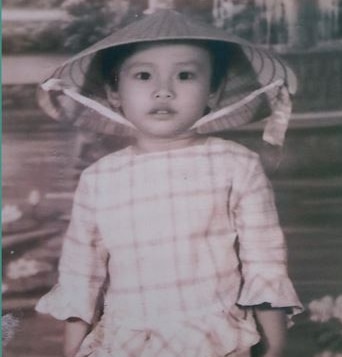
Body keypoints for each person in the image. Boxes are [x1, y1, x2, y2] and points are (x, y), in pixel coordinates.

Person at [35, 9, 303, 357]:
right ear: (115, 92)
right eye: (144, 75)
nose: (164, 91)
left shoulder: (237, 165)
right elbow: (80, 273)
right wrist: (71, 351)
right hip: (125, 341)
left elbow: (264, 260)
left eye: (186, 75)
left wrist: (276, 345)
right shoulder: (99, 178)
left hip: (212, 340)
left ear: (213, 92)